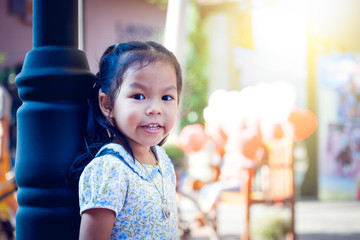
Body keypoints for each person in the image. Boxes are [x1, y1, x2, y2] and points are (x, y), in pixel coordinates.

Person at [68, 41, 183, 239]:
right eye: (138, 96)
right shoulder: (109, 170)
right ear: (107, 104)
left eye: (166, 97)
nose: (155, 108)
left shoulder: (162, 161)